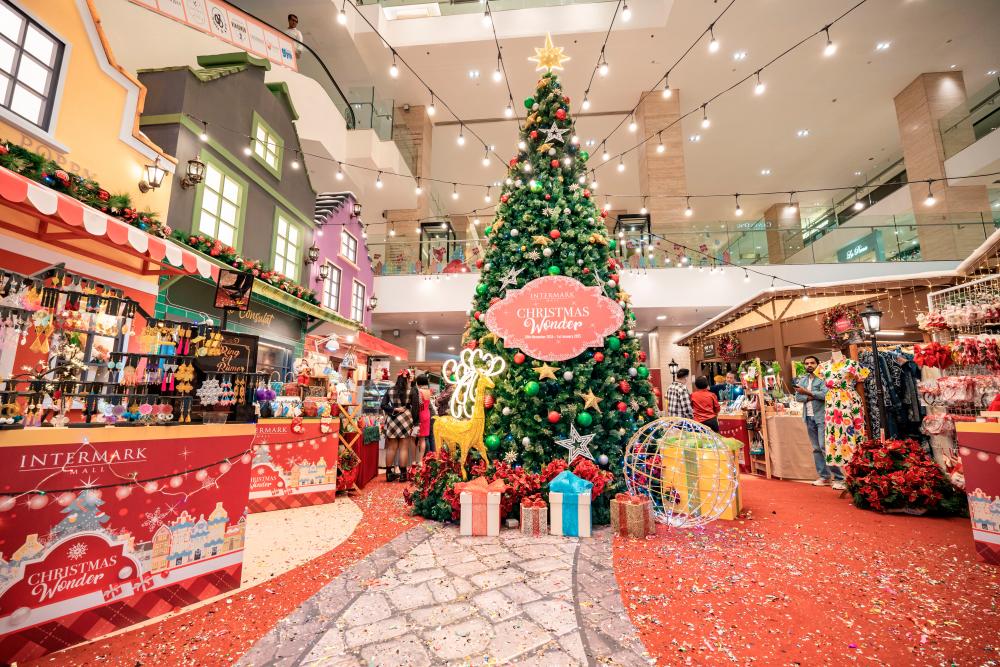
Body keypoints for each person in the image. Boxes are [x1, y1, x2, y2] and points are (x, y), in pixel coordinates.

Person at [795, 355, 845, 489]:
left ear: (818, 364)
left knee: (825, 447)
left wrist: (807, 392)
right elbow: (798, 397)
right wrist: (811, 396)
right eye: (806, 363)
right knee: (816, 449)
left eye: (812, 363)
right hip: (809, 417)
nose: (809, 365)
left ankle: (840, 478)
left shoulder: (823, 378)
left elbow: (826, 395)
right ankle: (824, 477)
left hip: (822, 417)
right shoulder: (803, 379)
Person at [380, 371, 419, 483]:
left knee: (391, 447)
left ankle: (389, 474)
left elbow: (383, 405)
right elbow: (415, 409)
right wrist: (416, 423)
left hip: (392, 420)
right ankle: (402, 475)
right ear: (407, 379)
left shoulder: (390, 390)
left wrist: (394, 409)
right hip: (406, 419)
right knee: (403, 448)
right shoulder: (411, 391)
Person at [414, 374, 436, 462]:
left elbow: (419, 404)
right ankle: (427, 458)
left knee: (423, 438)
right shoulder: (428, 391)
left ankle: (423, 458)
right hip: (428, 413)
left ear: (418, 382)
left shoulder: (420, 392)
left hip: (421, 414)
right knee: (425, 437)